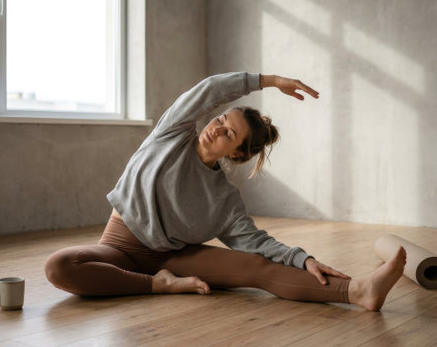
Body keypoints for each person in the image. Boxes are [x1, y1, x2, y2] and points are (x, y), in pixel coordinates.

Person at [44, 72, 406, 311]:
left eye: (229, 134)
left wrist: (303, 259)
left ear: (235, 154)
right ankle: (160, 286)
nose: (216, 129)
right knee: (59, 266)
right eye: (220, 121)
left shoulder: (224, 199)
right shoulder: (172, 134)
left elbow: (259, 244)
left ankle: (358, 291)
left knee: (257, 267)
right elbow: (209, 91)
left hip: (171, 257)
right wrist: (268, 80)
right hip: (117, 246)